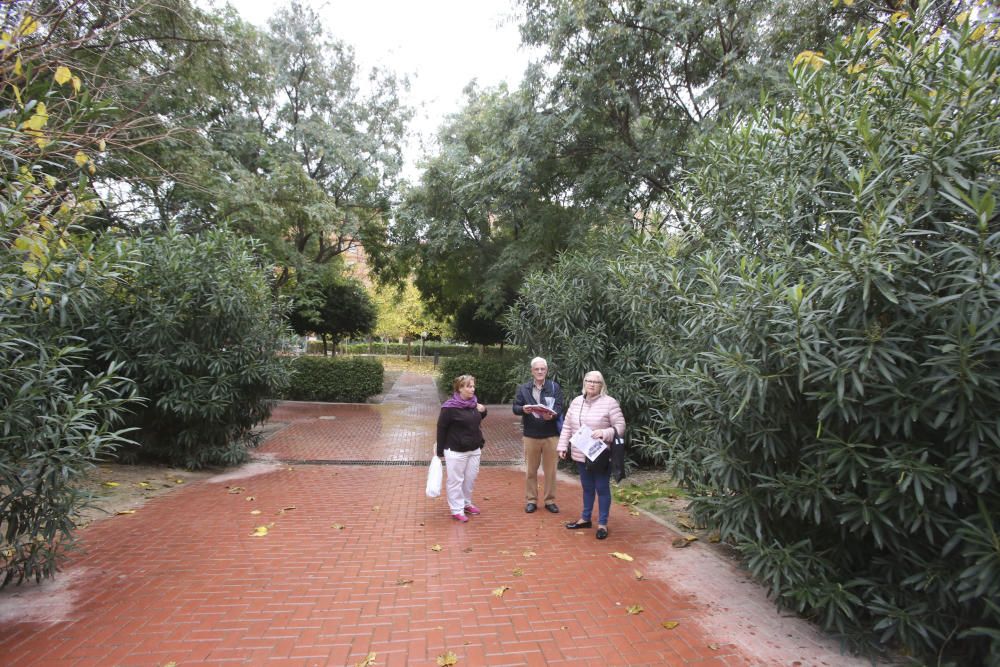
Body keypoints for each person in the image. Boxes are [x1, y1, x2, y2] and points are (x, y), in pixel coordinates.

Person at [557, 370, 625, 540]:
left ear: (602, 385)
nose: (592, 384)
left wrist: (604, 432)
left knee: (602, 488)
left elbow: (620, 426)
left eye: (596, 382)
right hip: (581, 453)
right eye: (589, 381)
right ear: (584, 383)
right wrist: (562, 446)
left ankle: (602, 524)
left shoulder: (610, 403)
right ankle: (585, 519)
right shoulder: (576, 402)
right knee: (587, 488)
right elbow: (567, 426)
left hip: (601, 454)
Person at [512, 357, 564, 514]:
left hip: (551, 436)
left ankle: (550, 500)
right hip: (531, 435)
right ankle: (531, 500)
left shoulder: (554, 387)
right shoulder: (523, 388)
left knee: (551, 471)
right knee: (531, 471)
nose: (540, 371)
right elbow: (515, 407)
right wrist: (523, 409)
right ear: (532, 371)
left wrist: (553, 415)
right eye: (537, 369)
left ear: (547, 371)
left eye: (543, 369)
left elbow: (560, 406)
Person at [436, 374, 488, 522]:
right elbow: (441, 428)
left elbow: (476, 420)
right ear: (459, 388)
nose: (472, 389)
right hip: (456, 450)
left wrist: (483, 410)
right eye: (468, 386)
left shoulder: (474, 404)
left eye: (473, 386)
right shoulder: (449, 407)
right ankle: (456, 509)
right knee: (455, 480)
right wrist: (440, 451)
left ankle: (466, 503)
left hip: (474, 449)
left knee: (470, 479)